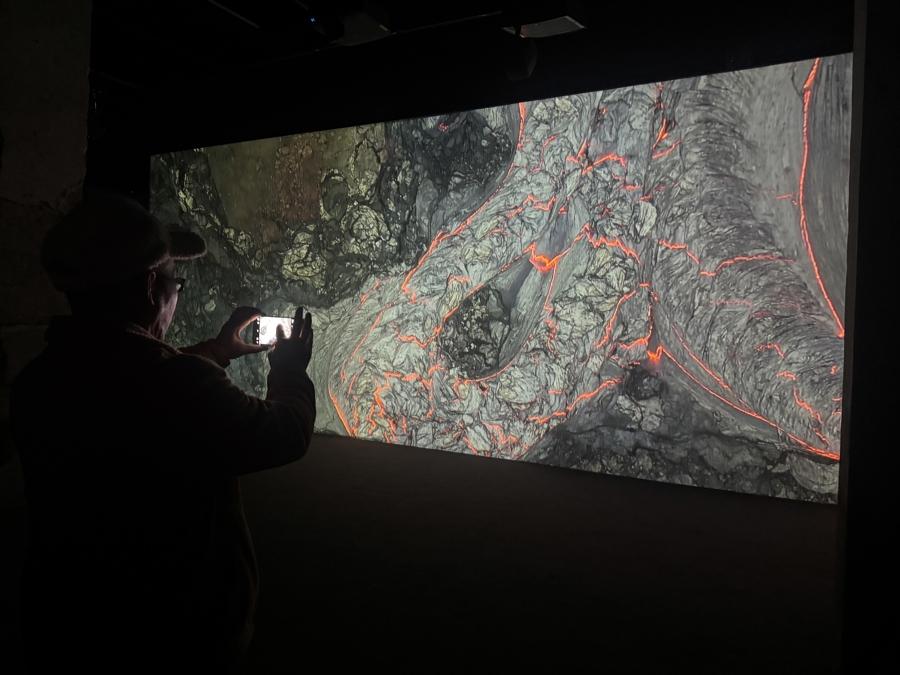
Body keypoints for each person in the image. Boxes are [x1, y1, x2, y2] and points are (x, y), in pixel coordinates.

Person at [9, 191, 317, 673]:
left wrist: (219, 349)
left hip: (68, 630)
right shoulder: (178, 386)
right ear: (151, 286)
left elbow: (128, 380)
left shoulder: (37, 381)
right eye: (178, 282)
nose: (177, 294)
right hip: (177, 641)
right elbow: (286, 433)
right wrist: (291, 370)